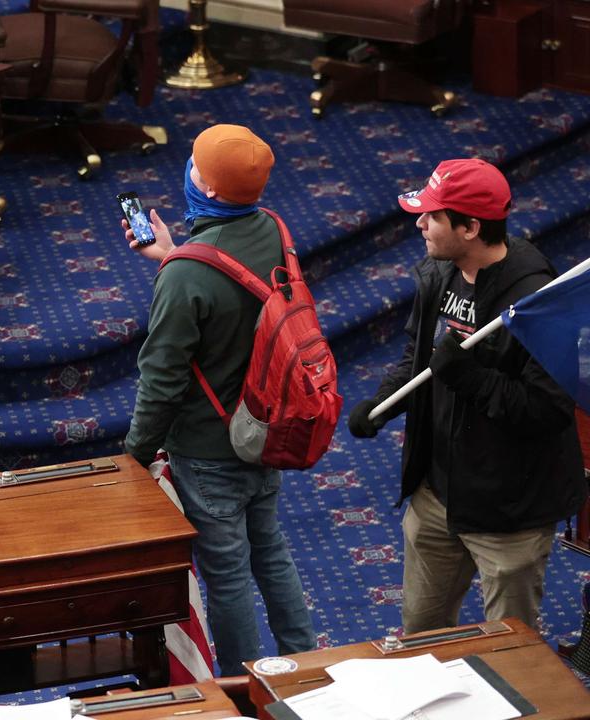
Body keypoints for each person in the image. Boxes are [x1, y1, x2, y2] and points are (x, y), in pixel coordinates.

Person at [348, 158, 585, 634]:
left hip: (508, 513)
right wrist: (384, 402)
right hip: (436, 498)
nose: (419, 223)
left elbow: (547, 410)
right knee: (422, 638)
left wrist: (470, 377)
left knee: (511, 657)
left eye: (432, 216)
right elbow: (418, 359)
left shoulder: (535, 300)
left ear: (471, 227)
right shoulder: (440, 273)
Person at [122, 124, 316, 676]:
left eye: (194, 163)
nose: (186, 166)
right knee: (272, 552)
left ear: (206, 190)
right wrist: (175, 254)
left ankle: (240, 687)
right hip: (267, 430)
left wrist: (136, 454)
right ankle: (307, 664)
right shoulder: (274, 229)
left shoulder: (185, 276)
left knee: (228, 575)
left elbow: (161, 380)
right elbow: (230, 289)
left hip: (209, 451)